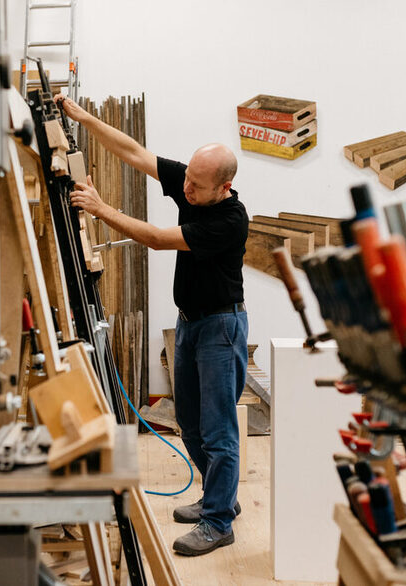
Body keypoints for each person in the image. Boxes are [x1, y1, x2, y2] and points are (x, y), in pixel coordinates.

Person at [57, 94, 249, 556]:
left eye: (197, 186)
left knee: (218, 430)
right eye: (188, 179)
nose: (187, 189)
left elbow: (161, 240)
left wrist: (102, 210)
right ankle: (217, 499)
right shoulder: (193, 181)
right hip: (190, 323)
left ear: (223, 187)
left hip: (221, 327)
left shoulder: (230, 219)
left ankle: (219, 520)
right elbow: (134, 152)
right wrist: (85, 119)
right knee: (187, 420)